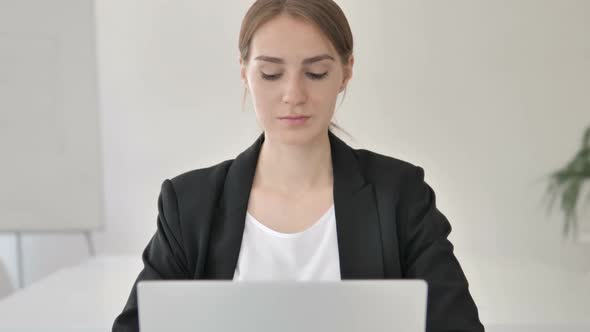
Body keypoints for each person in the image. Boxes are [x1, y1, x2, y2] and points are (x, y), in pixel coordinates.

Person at [112, 0, 484, 331]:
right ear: (244, 71)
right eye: (271, 74)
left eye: (316, 73)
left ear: (346, 70)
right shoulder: (188, 204)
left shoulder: (399, 195)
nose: (293, 95)